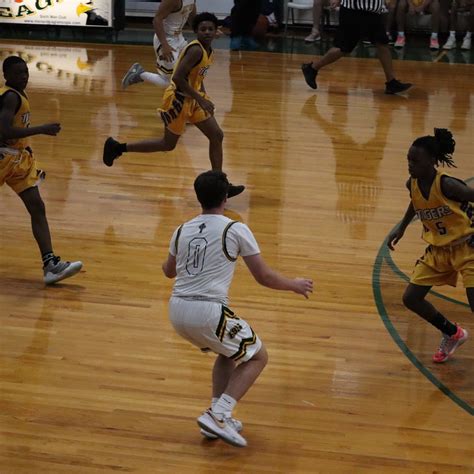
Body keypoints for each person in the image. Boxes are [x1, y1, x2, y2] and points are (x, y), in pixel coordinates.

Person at [161, 170, 313, 447]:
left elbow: (168, 271)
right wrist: (294, 284)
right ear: (226, 197)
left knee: (228, 352)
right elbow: (263, 277)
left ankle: (215, 419)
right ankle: (219, 414)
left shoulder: (182, 229)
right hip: (207, 311)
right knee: (257, 357)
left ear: (199, 197)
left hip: (177, 311)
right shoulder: (235, 229)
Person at [104, 13, 245, 198]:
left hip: (192, 100)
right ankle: (117, 148)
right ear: (196, 31)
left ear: (215, 30)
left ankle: (221, 185)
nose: (207, 32)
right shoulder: (196, 50)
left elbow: (196, 77)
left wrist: (203, 96)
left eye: (211, 29)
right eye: (203, 29)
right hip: (177, 100)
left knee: (216, 135)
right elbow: (178, 78)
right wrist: (201, 99)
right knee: (167, 144)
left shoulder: (208, 50)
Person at [387, 128, 472, 363]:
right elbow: (416, 202)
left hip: (467, 247)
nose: (410, 165)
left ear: (432, 161)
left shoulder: (448, 185)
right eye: (408, 159)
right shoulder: (412, 183)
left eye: (415, 161)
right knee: (411, 298)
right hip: (439, 250)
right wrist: (402, 227)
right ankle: (452, 333)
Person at [0, 56, 82, 284]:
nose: (23, 76)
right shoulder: (10, 97)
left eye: (25, 72)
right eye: (18, 73)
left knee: (37, 206)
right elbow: (5, 131)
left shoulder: (18, 94)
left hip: (17, 161)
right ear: (6, 75)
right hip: (3, 158)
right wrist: (41, 129)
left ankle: (50, 265)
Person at [301, 0, 413, 94]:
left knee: (382, 44)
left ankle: (391, 82)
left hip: (372, 11)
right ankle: (312, 68)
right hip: (354, 11)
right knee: (343, 48)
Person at [121, 0, 196, 89]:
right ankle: (140, 74)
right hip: (166, 39)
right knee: (171, 82)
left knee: (187, 73)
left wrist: (203, 32)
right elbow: (157, 20)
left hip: (179, 37)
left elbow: (192, 18)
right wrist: (164, 45)